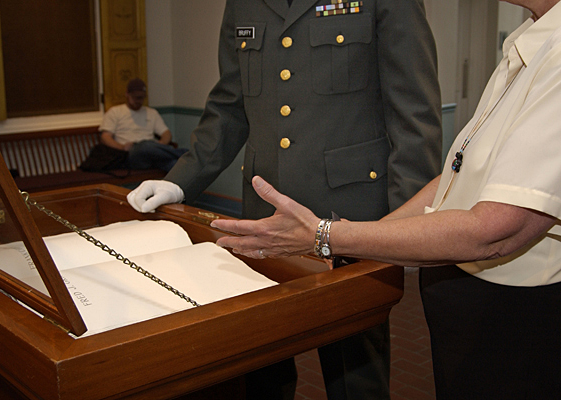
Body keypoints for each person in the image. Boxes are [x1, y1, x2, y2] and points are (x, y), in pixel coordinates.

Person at [210, 0, 561, 398]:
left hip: (512, 310)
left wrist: (334, 236)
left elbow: (497, 229)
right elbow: (456, 174)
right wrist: (380, 238)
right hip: (464, 301)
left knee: (357, 378)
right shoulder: (529, 43)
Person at [127, 0, 442, 398]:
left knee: (355, 374)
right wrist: (180, 182)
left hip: (352, 222)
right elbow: (229, 105)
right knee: (263, 367)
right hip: (264, 223)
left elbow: (413, 111)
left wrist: (405, 230)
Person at [99, 78, 186, 172]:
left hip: (152, 153)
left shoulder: (151, 113)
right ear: (127, 94)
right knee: (144, 146)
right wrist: (122, 147)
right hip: (130, 155)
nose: (139, 101)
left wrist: (160, 145)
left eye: (142, 98)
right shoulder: (115, 112)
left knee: (174, 164)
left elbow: (166, 133)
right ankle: (186, 154)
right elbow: (105, 137)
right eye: (136, 97)